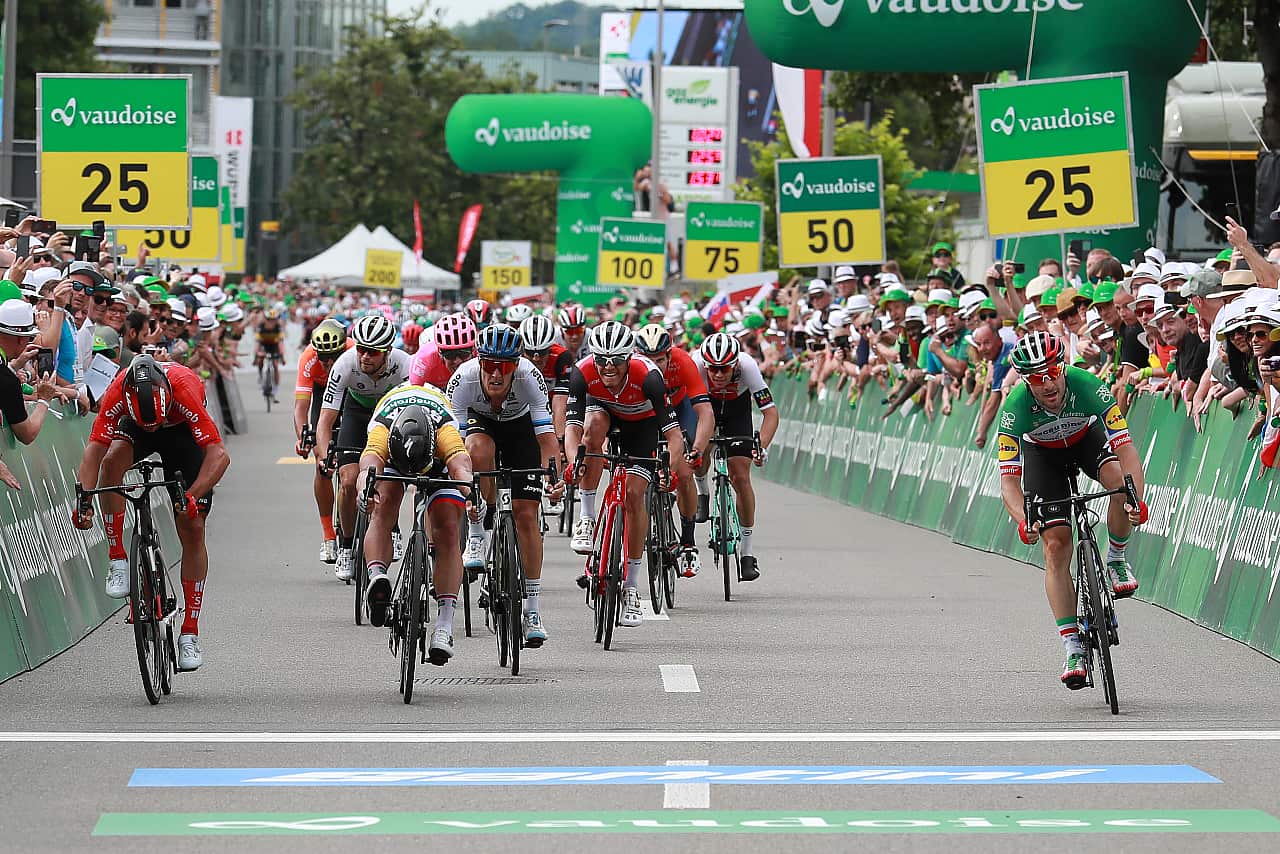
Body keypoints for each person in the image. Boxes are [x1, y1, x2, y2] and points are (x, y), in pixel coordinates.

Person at [995, 332, 1147, 690]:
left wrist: (1134, 498)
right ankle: (1072, 645)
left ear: (1064, 366)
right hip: (1042, 456)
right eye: (1035, 377)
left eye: (1053, 371)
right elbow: (1009, 483)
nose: (1047, 382)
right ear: (1023, 379)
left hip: (1085, 441)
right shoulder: (1014, 411)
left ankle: (1116, 558)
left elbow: (1127, 453)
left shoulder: (1089, 386)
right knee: (1056, 545)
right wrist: (1024, 520)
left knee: (1116, 480)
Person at [73, 355, 231, 672]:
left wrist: (192, 495)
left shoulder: (185, 387)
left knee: (192, 527)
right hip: (135, 428)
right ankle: (118, 557)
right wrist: (83, 501)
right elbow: (95, 451)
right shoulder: (119, 390)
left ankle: (189, 632)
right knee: (111, 464)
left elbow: (219, 454)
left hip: (182, 431)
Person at [447, 325, 563, 647]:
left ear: (517, 365)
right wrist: (463, 484)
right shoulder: (463, 380)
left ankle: (532, 609)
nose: (496, 373)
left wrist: (556, 476)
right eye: (489, 365)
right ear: (479, 361)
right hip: (479, 425)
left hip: (520, 428)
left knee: (527, 516)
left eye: (506, 366)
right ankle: (476, 533)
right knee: (477, 452)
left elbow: (546, 438)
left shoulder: (531, 379)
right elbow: (454, 443)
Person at [564, 321, 684, 628]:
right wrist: (573, 461)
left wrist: (669, 469)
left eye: (616, 360)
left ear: (627, 358)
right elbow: (572, 428)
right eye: (601, 359)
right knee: (591, 433)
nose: (608, 367)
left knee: (633, 495)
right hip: (603, 413)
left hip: (641, 426)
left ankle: (630, 586)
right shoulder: (582, 372)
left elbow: (673, 436)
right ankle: (588, 516)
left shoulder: (649, 377)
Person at [355, 392, 471, 663]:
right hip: (395, 459)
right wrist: (365, 492)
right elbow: (367, 468)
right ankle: (377, 578)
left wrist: (471, 494)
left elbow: (461, 467)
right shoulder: (382, 430)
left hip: (437, 466)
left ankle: (444, 625)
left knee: (448, 529)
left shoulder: (445, 431)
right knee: (382, 505)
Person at [314, 313, 412, 580]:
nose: (365, 357)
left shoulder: (405, 365)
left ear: (388, 352)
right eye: (360, 349)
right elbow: (325, 420)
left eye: (372, 352)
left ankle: (390, 526)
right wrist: (324, 456)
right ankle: (346, 545)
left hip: (393, 416)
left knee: (388, 480)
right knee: (347, 481)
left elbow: (414, 413)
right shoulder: (345, 364)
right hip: (357, 413)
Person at [691, 332, 779, 582]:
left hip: (736, 410)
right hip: (704, 406)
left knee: (740, 477)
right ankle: (703, 493)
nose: (719, 375)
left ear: (736, 364)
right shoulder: (695, 364)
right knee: (700, 454)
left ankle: (747, 554)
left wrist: (760, 446)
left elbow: (770, 413)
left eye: (725, 369)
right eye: (714, 369)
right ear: (706, 364)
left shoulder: (748, 366)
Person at [635, 323, 714, 577]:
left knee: (684, 472)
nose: (655, 367)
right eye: (649, 360)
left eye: (660, 360)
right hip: (647, 413)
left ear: (670, 354)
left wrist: (699, 449)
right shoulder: (632, 367)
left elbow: (705, 412)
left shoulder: (683, 362)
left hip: (679, 411)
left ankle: (689, 542)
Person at [292, 319, 353, 563]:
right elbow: (301, 407)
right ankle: (329, 536)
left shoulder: (353, 353)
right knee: (323, 463)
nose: (328, 362)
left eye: (333, 356)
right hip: (321, 394)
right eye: (323, 357)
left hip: (349, 392)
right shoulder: (308, 358)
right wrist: (303, 436)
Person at [408, 314, 476, 391]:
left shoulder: (481, 353)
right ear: (440, 353)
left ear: (473, 350)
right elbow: (414, 392)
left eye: (464, 354)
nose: (458, 361)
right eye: (450, 355)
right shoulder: (425, 357)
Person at [255, 307, 285, 401]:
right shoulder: (261, 327)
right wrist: (257, 354)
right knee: (260, 359)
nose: (271, 322)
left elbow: (280, 343)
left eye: (273, 320)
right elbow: (257, 343)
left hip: (274, 346)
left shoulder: (278, 328)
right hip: (264, 345)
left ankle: (276, 388)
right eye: (269, 320)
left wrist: (282, 356)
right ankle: (260, 374)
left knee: (276, 365)